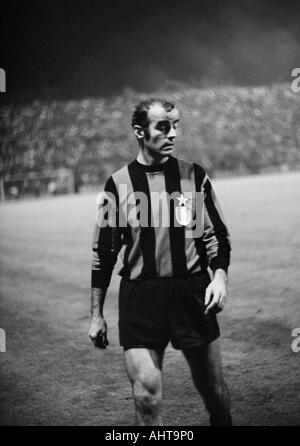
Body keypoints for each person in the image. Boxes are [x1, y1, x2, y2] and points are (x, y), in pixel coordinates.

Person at [88, 98, 232, 426]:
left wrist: (219, 276)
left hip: (191, 294)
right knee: (146, 397)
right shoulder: (118, 185)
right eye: (163, 127)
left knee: (214, 392)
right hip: (141, 298)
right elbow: (104, 253)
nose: (173, 134)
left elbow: (217, 237)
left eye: (175, 126)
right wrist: (96, 315)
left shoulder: (194, 177)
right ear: (140, 132)